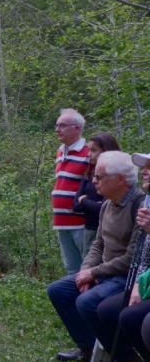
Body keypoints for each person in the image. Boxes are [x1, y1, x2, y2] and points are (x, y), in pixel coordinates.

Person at [47, 151, 144, 361]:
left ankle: (124, 356)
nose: (93, 181)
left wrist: (93, 272)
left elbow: (132, 259)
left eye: (99, 177)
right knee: (58, 291)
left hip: (124, 276)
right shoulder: (107, 204)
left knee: (87, 302)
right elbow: (98, 243)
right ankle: (90, 348)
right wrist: (85, 270)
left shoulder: (139, 207)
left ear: (119, 180)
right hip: (103, 271)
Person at [94, 152, 150, 361]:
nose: (144, 171)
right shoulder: (145, 202)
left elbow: (132, 256)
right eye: (145, 166)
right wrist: (138, 284)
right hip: (140, 279)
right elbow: (144, 255)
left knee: (130, 317)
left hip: (121, 273)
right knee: (111, 311)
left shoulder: (137, 203)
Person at [53, 108, 91, 274]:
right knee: (71, 269)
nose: (57, 129)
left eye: (62, 125)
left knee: (87, 267)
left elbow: (95, 187)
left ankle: (89, 300)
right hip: (61, 221)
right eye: (57, 125)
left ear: (77, 128)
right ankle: (72, 300)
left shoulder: (89, 153)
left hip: (80, 222)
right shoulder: (60, 151)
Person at [73, 133, 121, 257]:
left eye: (93, 150)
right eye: (89, 150)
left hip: (110, 233)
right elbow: (75, 206)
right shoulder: (89, 174)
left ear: (106, 151)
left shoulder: (117, 176)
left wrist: (84, 201)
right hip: (90, 230)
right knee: (86, 268)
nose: (89, 154)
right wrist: (92, 203)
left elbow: (104, 208)